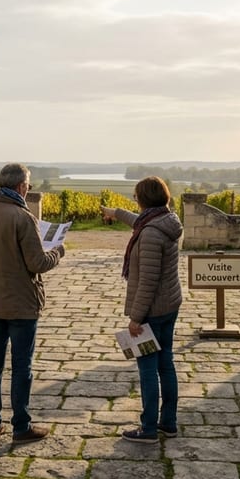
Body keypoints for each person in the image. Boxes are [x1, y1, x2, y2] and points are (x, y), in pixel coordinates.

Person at [0, 163, 65, 446]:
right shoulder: (23, 218)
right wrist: (58, 251)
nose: (29, 189)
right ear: (21, 187)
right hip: (21, 303)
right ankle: (21, 426)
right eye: (29, 186)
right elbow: (38, 263)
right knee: (22, 366)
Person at [101, 176, 183, 443]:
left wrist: (136, 319)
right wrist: (115, 212)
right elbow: (136, 221)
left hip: (152, 311)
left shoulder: (148, 233)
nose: (134, 203)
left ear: (145, 200)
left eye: (135, 198)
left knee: (148, 369)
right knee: (165, 364)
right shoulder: (163, 221)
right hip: (169, 304)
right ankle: (168, 423)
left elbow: (148, 280)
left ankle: (148, 428)